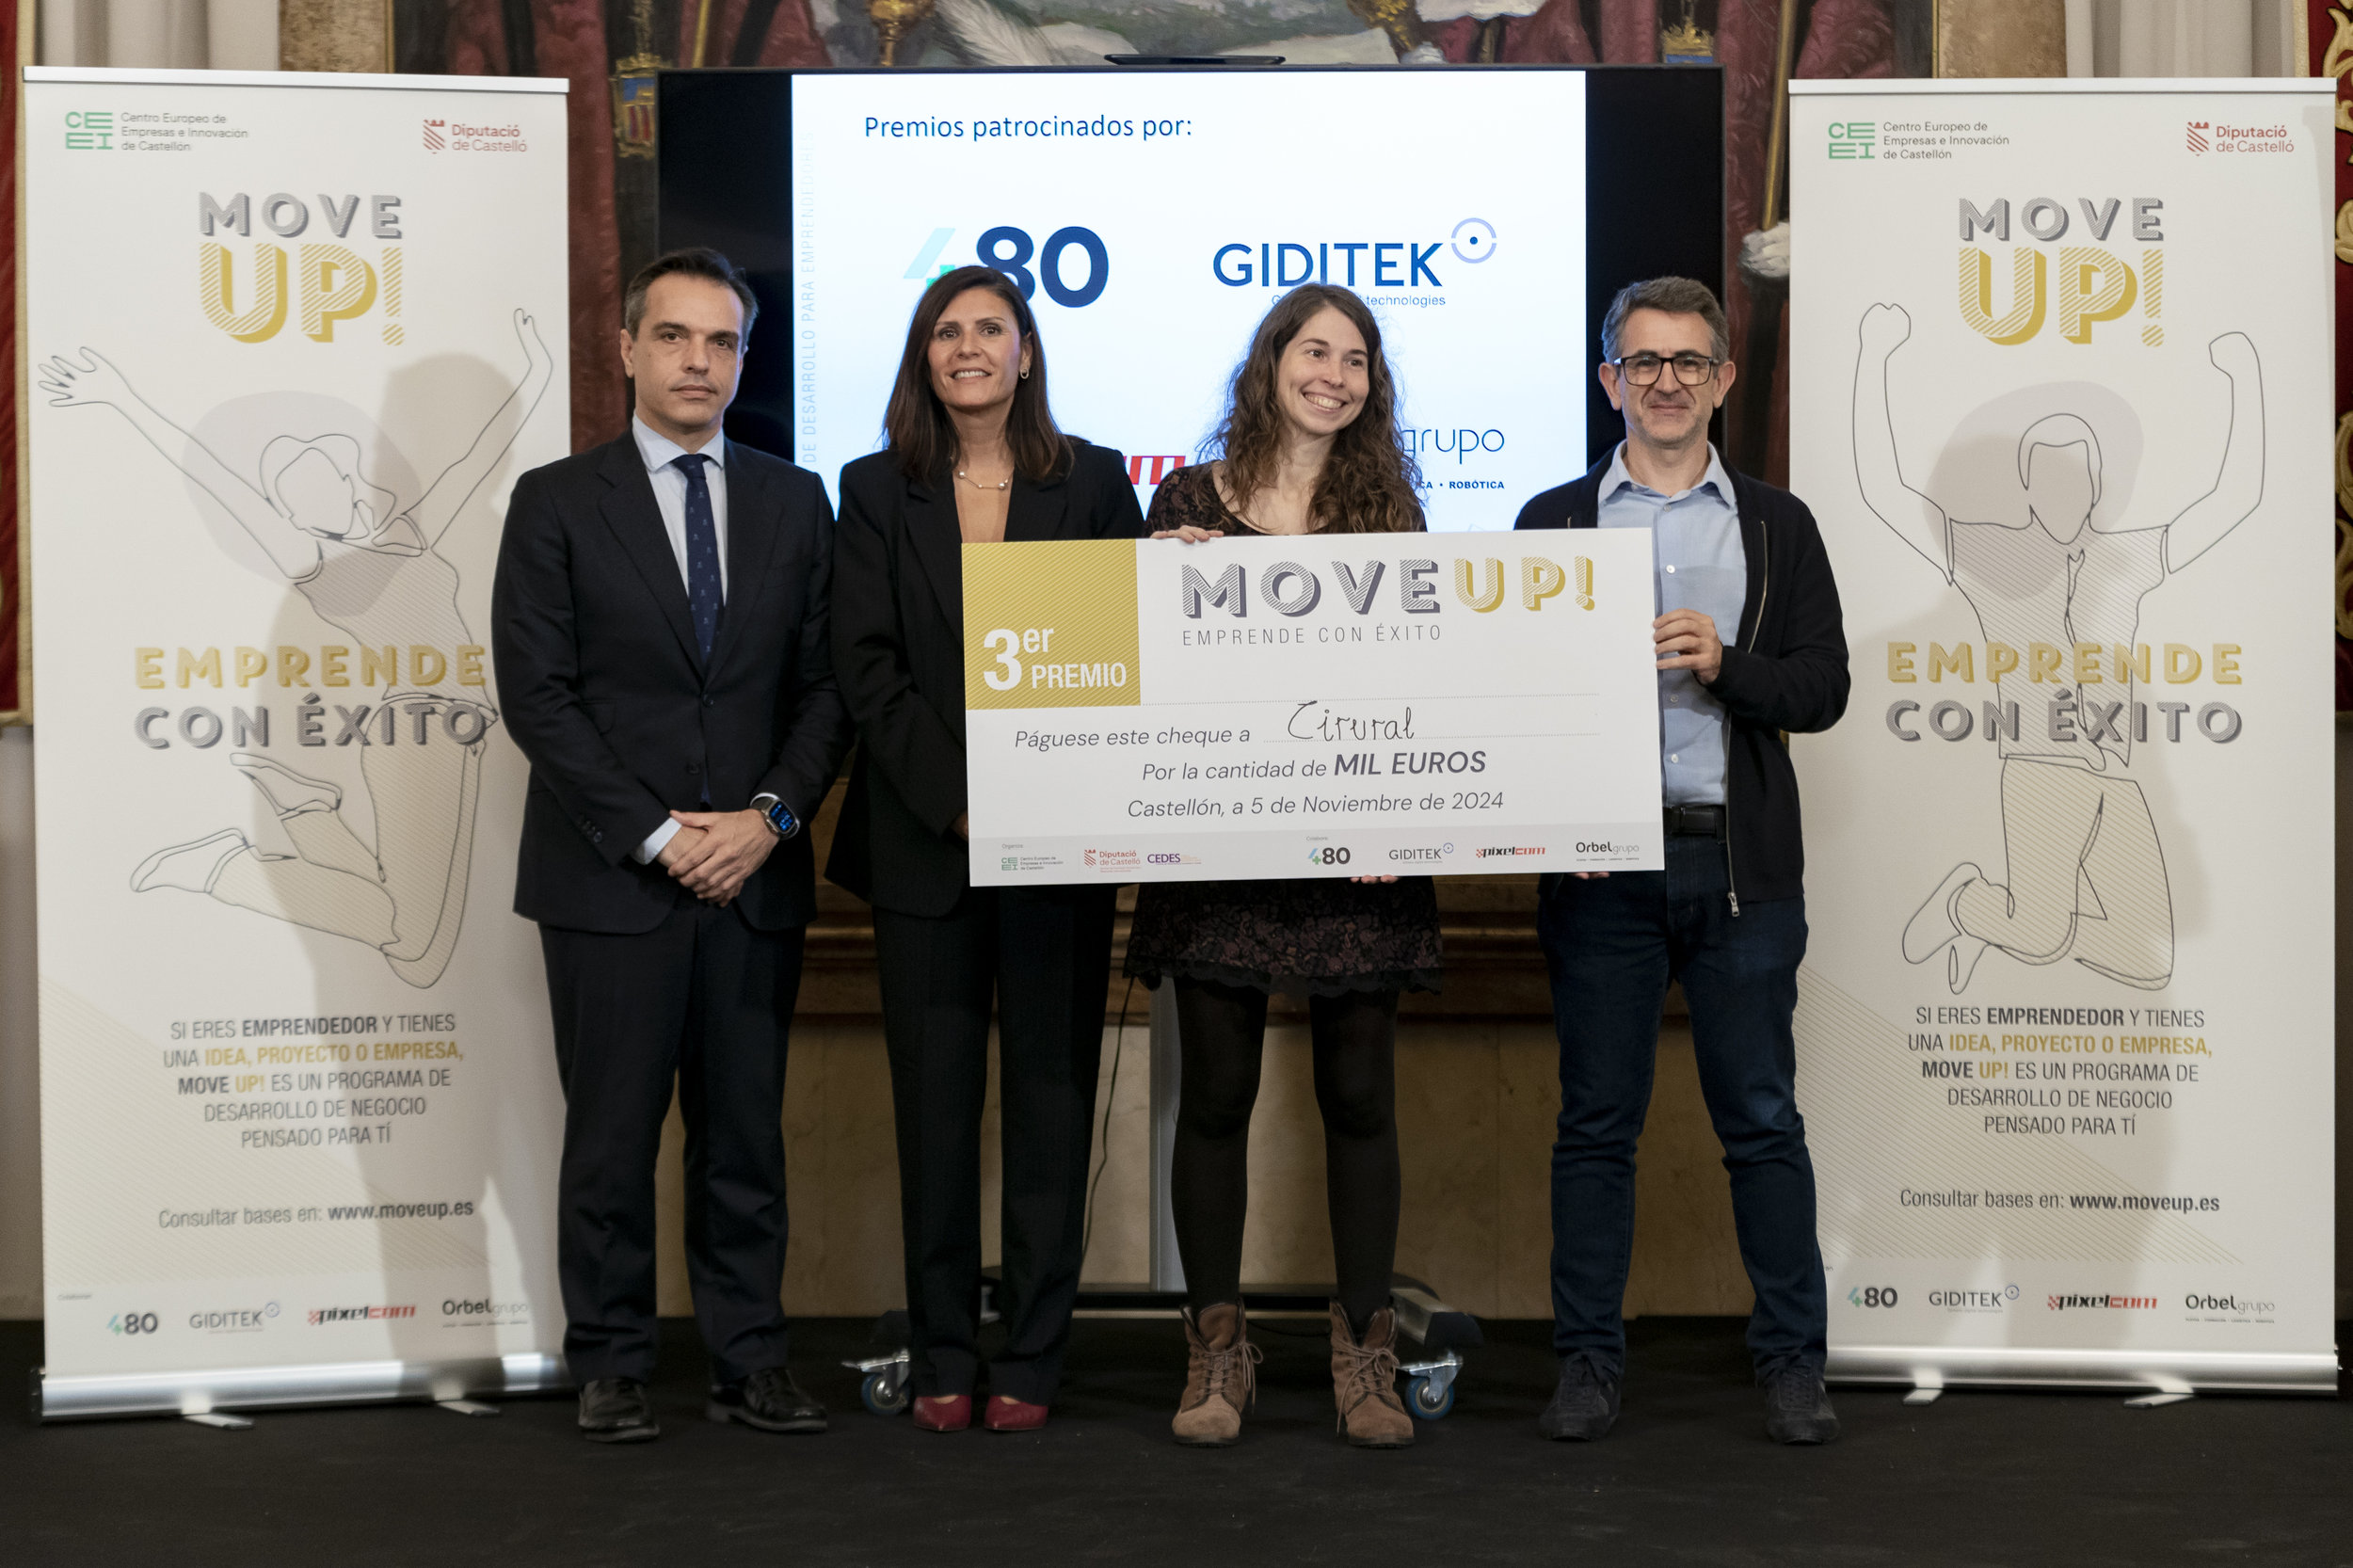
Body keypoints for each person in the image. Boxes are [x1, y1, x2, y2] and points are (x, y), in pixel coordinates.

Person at [491, 248, 852, 1443]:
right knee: (610, 1141)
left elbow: (827, 691)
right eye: (675, 337)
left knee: (744, 1139)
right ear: (628, 349)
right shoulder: (555, 501)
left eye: (723, 342)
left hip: (753, 876)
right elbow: (538, 696)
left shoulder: (797, 501)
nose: (700, 361)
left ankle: (751, 1360)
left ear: (744, 359)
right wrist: (656, 835)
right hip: (610, 881)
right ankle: (610, 1361)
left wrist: (768, 822)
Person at [1514, 276, 1849, 1445]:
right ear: (1609, 379)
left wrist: (1724, 663)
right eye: (1643, 361)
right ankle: (1585, 1365)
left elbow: (1822, 688)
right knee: (1594, 1126)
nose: (1666, 381)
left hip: (1738, 872)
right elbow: (1512, 700)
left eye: (1688, 361)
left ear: (1722, 379)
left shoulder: (1776, 523)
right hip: (1599, 877)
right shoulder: (1553, 521)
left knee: (1760, 1120)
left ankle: (1793, 1365)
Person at [828, 265, 1145, 1433]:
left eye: (990, 328)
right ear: (924, 355)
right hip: (925, 843)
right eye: (945, 330)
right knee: (935, 1111)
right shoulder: (872, 489)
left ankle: (1034, 1353)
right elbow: (865, 665)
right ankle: (943, 1348)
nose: (967, 347)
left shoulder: (1095, 481)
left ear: (1026, 351)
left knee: (1051, 1104)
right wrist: (962, 802)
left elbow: (1127, 648)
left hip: (1059, 847)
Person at [1125, 283, 1435, 1450]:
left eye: (1355, 360)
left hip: (1360, 855)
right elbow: (1147, 677)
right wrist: (1153, 581)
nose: (1332, 376)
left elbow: (1412, 686)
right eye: (1314, 351)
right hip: (1220, 846)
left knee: (1360, 1098)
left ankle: (1366, 1353)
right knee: (1214, 1097)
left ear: (1370, 385)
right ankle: (1216, 1350)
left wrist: (1394, 821)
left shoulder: (1390, 510)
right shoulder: (1184, 502)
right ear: (1270, 363)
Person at [40, 310, 553, 988]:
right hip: (418, 729)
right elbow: (223, 484)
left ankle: (305, 810)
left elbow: (478, 459)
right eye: (292, 504)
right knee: (411, 942)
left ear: (347, 479)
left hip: (454, 727)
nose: (306, 508)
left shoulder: (410, 532)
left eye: (316, 487)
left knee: (418, 957)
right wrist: (125, 399)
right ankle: (225, 867)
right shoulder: (318, 566)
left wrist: (539, 370)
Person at [1854, 304, 2264, 995]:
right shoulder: (1990, 554)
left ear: (2096, 485)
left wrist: (2244, 375)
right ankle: (1967, 904)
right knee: (2040, 935)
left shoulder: (2128, 559)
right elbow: (1881, 490)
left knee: (2150, 957)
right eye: (2046, 478)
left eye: (2074, 478)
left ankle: (1990, 921)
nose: (2061, 493)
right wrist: (1875, 352)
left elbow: (2235, 499)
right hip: (2041, 768)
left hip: (2115, 771)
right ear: (2026, 487)